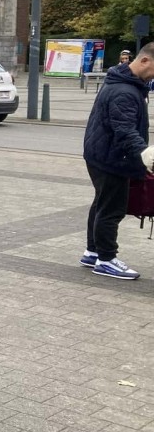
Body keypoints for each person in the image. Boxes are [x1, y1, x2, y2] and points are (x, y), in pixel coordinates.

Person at [81, 42, 154, 279]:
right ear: (144, 61)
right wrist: (145, 154)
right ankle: (106, 259)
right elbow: (124, 130)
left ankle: (92, 252)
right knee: (112, 209)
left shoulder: (122, 81)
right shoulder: (125, 91)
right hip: (112, 157)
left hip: (100, 153)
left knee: (102, 203)